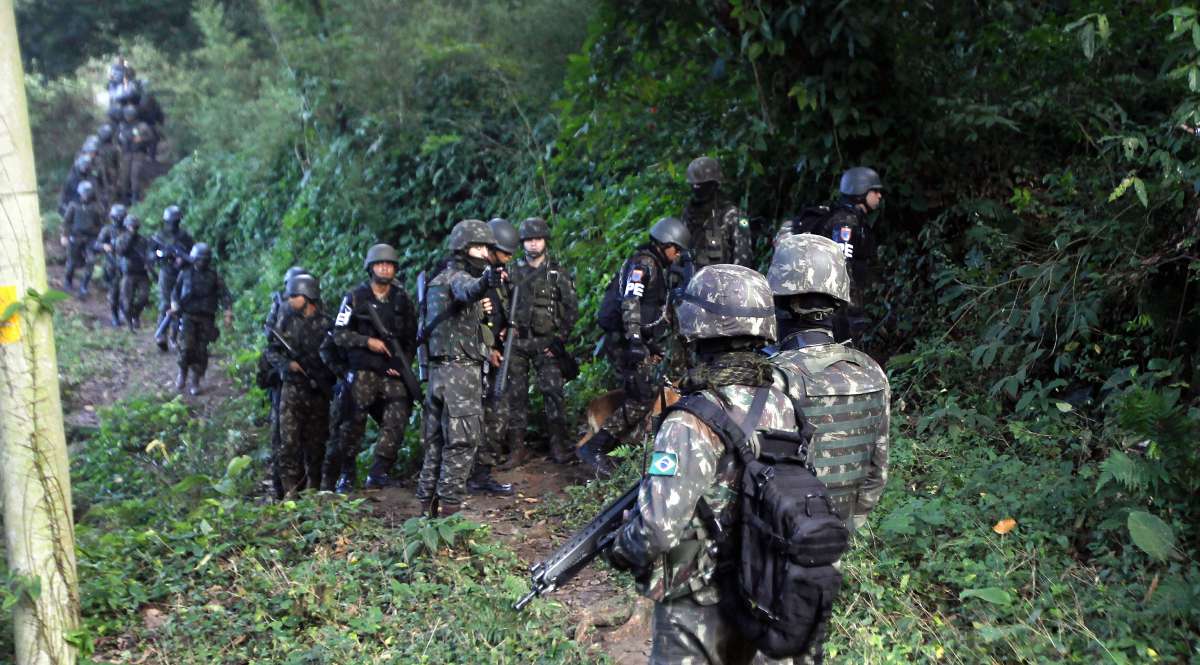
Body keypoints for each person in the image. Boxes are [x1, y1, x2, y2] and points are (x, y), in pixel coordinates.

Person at [605, 264, 808, 664]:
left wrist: (621, 547)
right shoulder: (782, 403)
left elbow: (658, 530)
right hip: (766, 587)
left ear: (697, 328)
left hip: (700, 601)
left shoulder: (690, 419)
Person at [766, 233, 890, 533]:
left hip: (786, 536)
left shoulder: (774, 378)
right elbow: (877, 472)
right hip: (838, 532)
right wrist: (846, 525)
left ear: (781, 301)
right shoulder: (872, 370)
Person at [578, 217, 690, 475]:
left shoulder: (655, 266)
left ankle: (618, 450)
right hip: (625, 342)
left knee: (642, 394)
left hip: (636, 341)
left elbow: (653, 311)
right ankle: (596, 447)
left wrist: (649, 343)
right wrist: (636, 342)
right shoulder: (643, 264)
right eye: (677, 250)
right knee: (642, 397)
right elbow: (631, 302)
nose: (677, 256)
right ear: (665, 245)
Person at [416, 220, 501, 517]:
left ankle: (425, 511)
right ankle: (449, 517)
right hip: (459, 376)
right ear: (465, 249)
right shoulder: (457, 278)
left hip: (440, 375)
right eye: (480, 247)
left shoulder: (436, 280)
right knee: (461, 445)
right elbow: (467, 290)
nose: (485, 253)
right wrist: (486, 282)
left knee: (436, 447)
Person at [331, 244, 418, 491]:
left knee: (398, 416)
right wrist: (367, 341)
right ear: (370, 268)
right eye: (380, 264)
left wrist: (402, 365)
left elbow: (411, 337)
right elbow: (339, 334)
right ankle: (347, 474)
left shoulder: (402, 298)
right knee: (352, 421)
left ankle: (380, 471)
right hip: (363, 371)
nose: (385, 268)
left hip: (391, 371)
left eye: (389, 265)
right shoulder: (355, 297)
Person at [500, 216, 579, 468]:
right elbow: (498, 304)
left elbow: (571, 308)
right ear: (522, 243)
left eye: (538, 239)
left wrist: (559, 340)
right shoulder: (511, 272)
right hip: (517, 343)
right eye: (529, 240)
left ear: (545, 241)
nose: (533, 244)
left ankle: (559, 446)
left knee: (553, 392)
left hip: (546, 342)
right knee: (515, 396)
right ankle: (517, 449)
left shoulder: (557, 273)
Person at [776, 167, 884, 343]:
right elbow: (843, 264)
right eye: (875, 191)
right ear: (860, 191)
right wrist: (853, 309)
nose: (879, 196)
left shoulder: (855, 218)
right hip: (833, 303)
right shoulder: (845, 222)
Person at [263, 274, 335, 498]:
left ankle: (312, 490)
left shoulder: (327, 324)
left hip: (318, 393)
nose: (290, 300)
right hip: (292, 389)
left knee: (316, 445)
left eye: (294, 296)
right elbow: (271, 351)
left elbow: (336, 357)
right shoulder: (286, 322)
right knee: (288, 443)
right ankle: (289, 492)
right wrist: (288, 364)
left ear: (308, 296)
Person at [471, 217, 518, 496]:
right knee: (471, 418)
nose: (508, 259)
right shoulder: (474, 275)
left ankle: (481, 473)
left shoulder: (499, 274)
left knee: (498, 413)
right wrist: (486, 349)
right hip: (473, 357)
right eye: (505, 253)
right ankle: (465, 473)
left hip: (495, 353)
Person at [170, 242, 233, 395]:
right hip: (188, 316)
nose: (202, 262)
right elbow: (175, 293)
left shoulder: (214, 276)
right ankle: (182, 372)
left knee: (201, 351)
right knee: (186, 347)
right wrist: (174, 305)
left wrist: (227, 313)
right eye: (199, 259)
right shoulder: (185, 273)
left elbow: (225, 295)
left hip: (206, 318)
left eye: (205, 259)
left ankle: (195, 380)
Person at [681, 156, 752, 269]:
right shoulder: (689, 213)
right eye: (694, 185)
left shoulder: (731, 214)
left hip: (722, 282)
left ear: (714, 184)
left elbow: (743, 257)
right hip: (694, 282)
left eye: (702, 184)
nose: (697, 188)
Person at [153, 205, 194, 350]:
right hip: (167, 272)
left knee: (181, 306)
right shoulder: (160, 236)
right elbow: (153, 254)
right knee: (165, 304)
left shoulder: (185, 236)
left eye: (176, 221)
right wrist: (165, 255)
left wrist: (182, 259)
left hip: (182, 273)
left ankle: (175, 337)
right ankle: (161, 335)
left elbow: (193, 254)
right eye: (171, 221)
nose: (173, 224)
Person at [61, 180, 104, 297]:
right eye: (84, 193)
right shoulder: (73, 206)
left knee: (91, 261)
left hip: (90, 239)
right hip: (75, 237)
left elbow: (100, 224)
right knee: (72, 262)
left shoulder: (96, 207)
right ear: (80, 193)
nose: (86, 195)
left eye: (88, 193)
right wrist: (64, 235)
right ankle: (67, 281)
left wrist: (99, 238)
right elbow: (66, 222)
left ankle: (84, 286)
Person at [114, 214, 153, 330]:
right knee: (127, 301)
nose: (134, 229)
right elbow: (121, 251)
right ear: (127, 226)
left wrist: (149, 262)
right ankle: (129, 323)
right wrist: (130, 238)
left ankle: (135, 315)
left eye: (135, 227)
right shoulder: (122, 238)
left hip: (142, 273)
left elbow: (148, 253)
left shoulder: (143, 240)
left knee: (144, 297)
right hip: (128, 273)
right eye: (131, 226)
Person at [94, 203, 127, 327]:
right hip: (112, 265)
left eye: (121, 217)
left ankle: (126, 313)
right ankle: (115, 316)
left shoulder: (127, 230)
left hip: (126, 266)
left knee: (126, 292)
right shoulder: (107, 230)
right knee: (114, 293)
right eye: (117, 217)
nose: (119, 219)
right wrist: (104, 246)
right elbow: (97, 244)